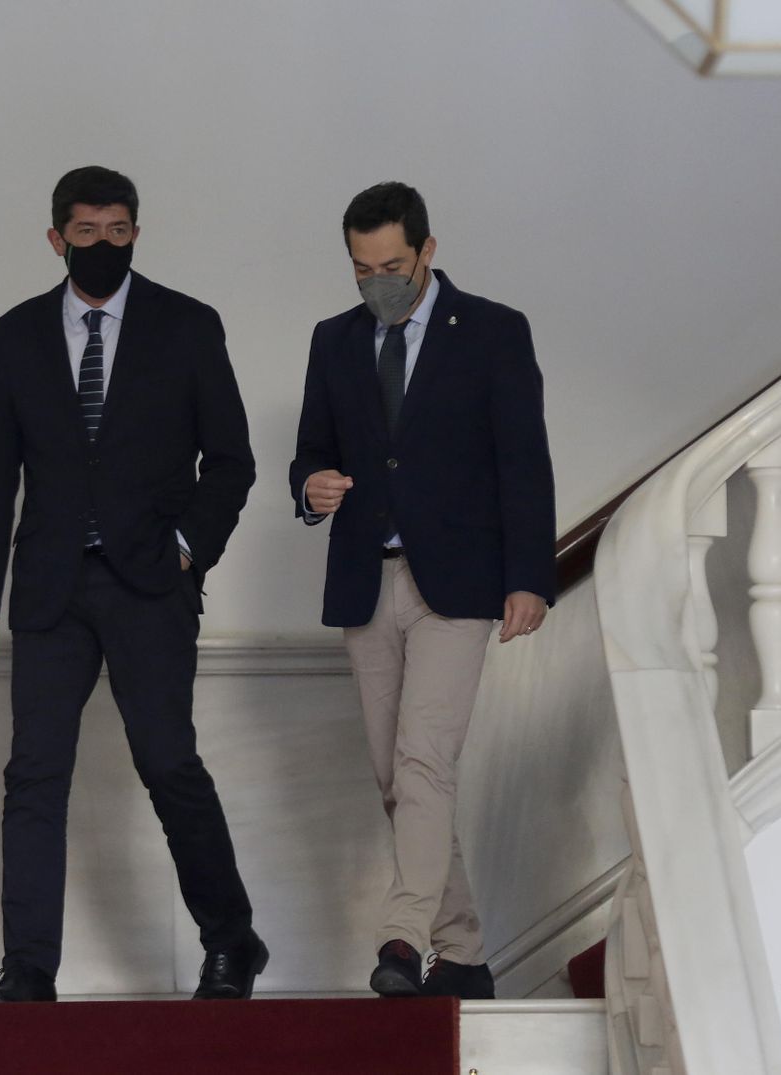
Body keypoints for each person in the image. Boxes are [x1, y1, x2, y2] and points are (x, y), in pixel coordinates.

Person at [0, 165, 266, 1002]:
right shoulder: (14, 335)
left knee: (167, 762)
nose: (104, 246)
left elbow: (232, 460)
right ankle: (28, 969)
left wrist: (186, 547)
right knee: (34, 775)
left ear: (138, 232)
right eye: (87, 233)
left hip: (148, 585)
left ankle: (232, 938)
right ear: (56, 238)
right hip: (51, 589)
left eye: (119, 231)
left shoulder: (187, 326)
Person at [289, 181, 556, 999]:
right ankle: (465, 953)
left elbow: (523, 458)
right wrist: (313, 488)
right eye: (362, 268)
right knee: (394, 777)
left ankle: (403, 940)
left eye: (393, 264)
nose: (379, 281)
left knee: (424, 762)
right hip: (367, 581)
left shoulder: (493, 331)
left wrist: (531, 577)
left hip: (460, 586)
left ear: (427, 251)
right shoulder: (334, 340)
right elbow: (309, 453)